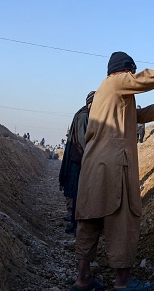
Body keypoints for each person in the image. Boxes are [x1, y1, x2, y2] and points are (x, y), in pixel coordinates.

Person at [72, 41, 154, 291]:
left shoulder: (108, 94)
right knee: (122, 219)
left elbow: (139, 116)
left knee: (90, 220)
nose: (132, 76)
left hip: (94, 167)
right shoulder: (115, 82)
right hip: (114, 166)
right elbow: (151, 78)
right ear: (124, 71)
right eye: (131, 72)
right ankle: (123, 281)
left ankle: (83, 279)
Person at [58, 90, 95, 235]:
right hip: (78, 161)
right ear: (91, 103)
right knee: (77, 194)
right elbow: (83, 141)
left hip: (79, 160)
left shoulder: (85, 114)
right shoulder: (84, 116)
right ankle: (75, 224)